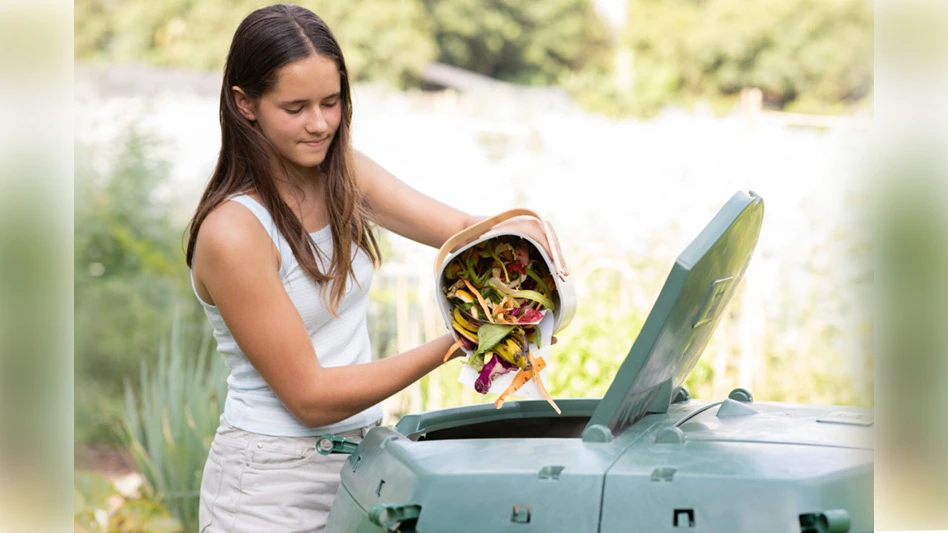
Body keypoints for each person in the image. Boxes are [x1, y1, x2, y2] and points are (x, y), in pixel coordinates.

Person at [186, 4, 561, 532]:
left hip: (359, 460)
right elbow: (310, 397)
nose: (319, 124)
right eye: (295, 108)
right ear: (245, 104)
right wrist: (461, 339)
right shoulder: (234, 232)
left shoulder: (345, 177)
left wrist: (522, 232)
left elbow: (462, 228)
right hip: (270, 486)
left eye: (331, 102)